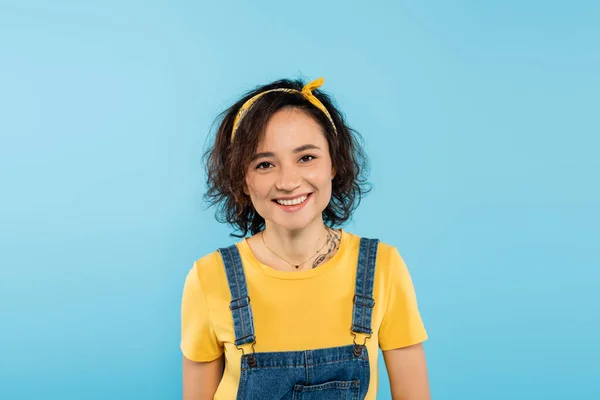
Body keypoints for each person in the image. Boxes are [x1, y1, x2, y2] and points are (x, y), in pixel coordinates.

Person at [181, 77, 430, 400]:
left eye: (306, 157)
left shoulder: (382, 267)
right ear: (242, 179)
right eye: (265, 164)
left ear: (334, 164)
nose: (288, 181)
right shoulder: (209, 277)